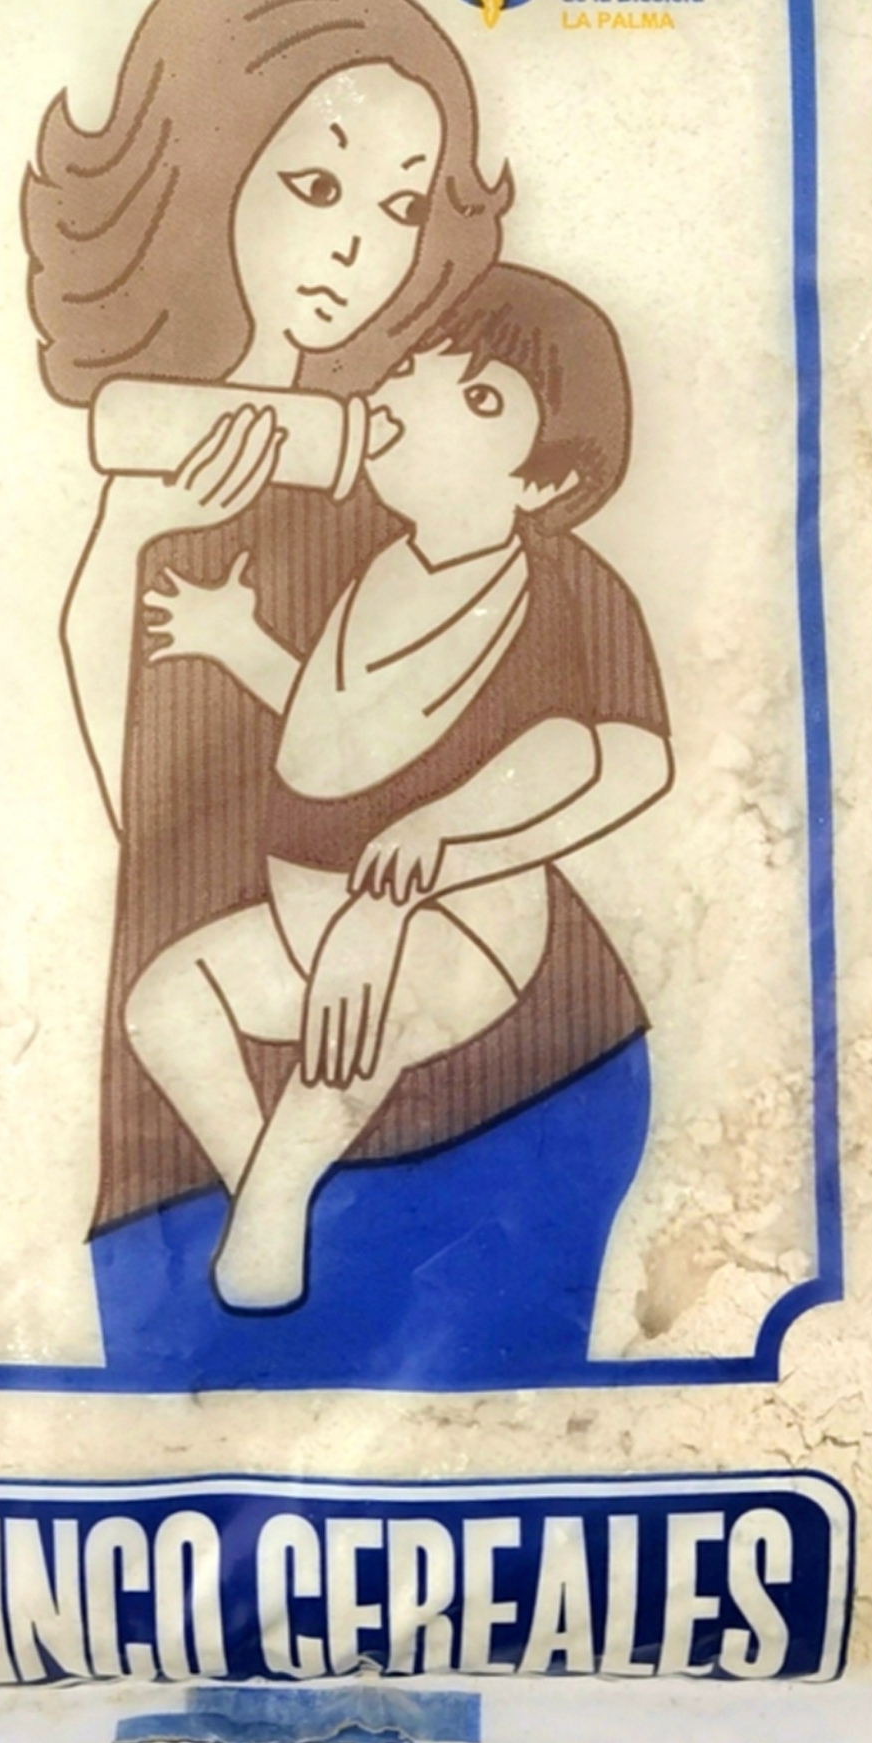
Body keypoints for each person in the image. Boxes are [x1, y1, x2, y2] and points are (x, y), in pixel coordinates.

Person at [23, 0, 518, 1231]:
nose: (358, 250)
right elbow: (114, 732)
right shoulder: (173, 448)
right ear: (199, 174)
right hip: (204, 939)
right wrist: (141, 535)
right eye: (317, 186)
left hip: (431, 971)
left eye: (400, 209)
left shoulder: (397, 453)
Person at [126, 268, 674, 1309]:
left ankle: (275, 1207)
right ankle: (272, 1198)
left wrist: (434, 863)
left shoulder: (562, 583)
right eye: (421, 362)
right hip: (311, 910)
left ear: (545, 483)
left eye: (481, 397)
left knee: (364, 1021)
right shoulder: (377, 563)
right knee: (165, 1006)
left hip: (454, 929)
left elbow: (624, 759)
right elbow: (337, 725)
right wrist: (239, 642)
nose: (414, 390)